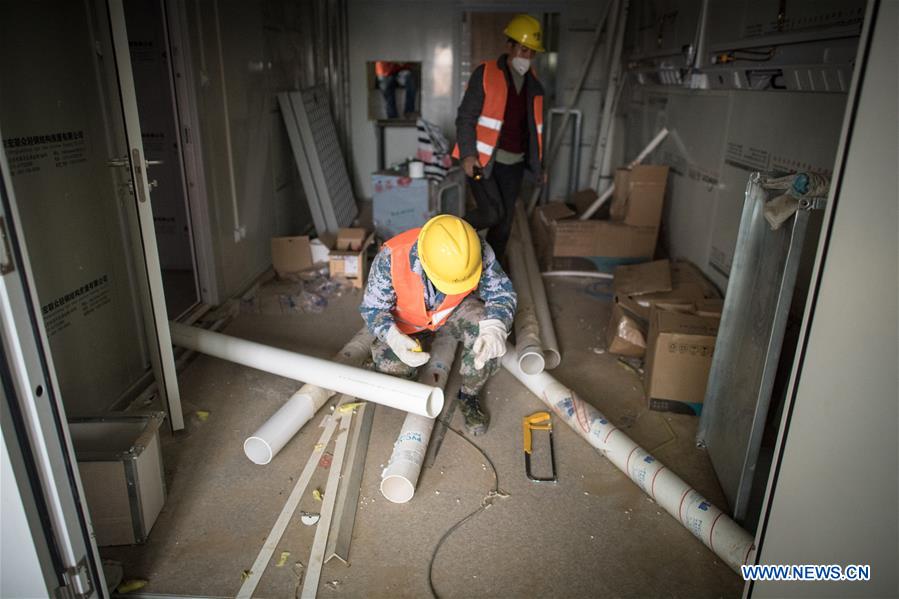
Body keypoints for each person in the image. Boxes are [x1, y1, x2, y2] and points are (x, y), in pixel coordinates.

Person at [359, 215, 516, 435]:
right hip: (408, 319)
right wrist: (392, 336)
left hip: (453, 309)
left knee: (487, 346)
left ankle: (469, 395)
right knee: (391, 367)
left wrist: (496, 327)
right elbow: (373, 308)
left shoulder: (475, 250)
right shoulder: (392, 257)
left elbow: (501, 293)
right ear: (424, 261)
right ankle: (390, 364)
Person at [453, 14, 545, 260]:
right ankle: (447, 233)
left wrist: (538, 168)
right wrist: (468, 155)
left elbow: (534, 132)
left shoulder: (534, 86)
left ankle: (490, 274)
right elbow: (465, 117)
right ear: (510, 46)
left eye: (531, 53)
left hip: (514, 165)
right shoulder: (486, 73)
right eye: (523, 50)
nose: (526, 57)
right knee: (492, 213)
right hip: (483, 161)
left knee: (503, 226)